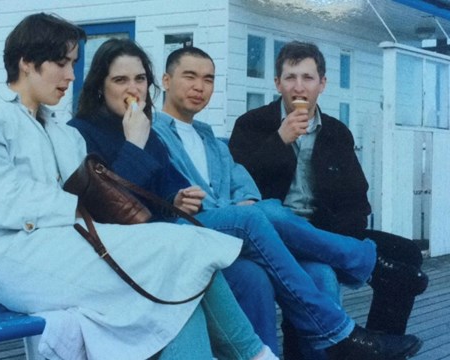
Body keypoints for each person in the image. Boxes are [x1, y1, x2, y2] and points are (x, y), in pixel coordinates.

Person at [0, 13, 274, 360]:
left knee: (183, 286)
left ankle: (254, 355)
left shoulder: (61, 131)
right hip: (18, 262)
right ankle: (256, 355)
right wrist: (69, 204)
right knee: (185, 251)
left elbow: (104, 201)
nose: (71, 75)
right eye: (61, 63)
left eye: (73, 63)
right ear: (27, 62)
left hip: (71, 248)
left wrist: (133, 146)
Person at [69, 38, 423, 360]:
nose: (199, 86)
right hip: (171, 243)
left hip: (257, 231)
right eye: (120, 80)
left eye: (208, 79)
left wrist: (233, 200)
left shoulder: (207, 136)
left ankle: (334, 337)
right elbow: (118, 203)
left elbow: (239, 180)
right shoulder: (141, 130)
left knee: (313, 272)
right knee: (264, 215)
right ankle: (351, 306)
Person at [229, 40, 428, 340]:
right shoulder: (251, 125)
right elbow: (237, 185)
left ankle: (381, 342)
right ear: (277, 83)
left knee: (407, 253)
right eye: (290, 77)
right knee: (317, 270)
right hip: (274, 234)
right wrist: (279, 141)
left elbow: (357, 199)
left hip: (326, 233)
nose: (299, 87)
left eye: (307, 78)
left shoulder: (336, 132)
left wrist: (334, 241)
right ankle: (366, 266)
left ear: (322, 84)